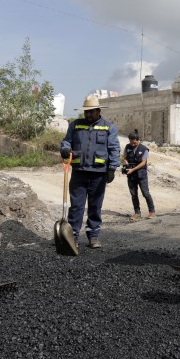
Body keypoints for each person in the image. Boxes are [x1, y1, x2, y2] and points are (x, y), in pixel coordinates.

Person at [60, 94, 120, 249]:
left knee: (95, 206)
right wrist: (65, 149)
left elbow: (114, 148)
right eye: (86, 111)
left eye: (91, 111)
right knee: (77, 206)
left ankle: (93, 236)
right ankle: (72, 237)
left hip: (99, 175)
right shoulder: (75, 125)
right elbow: (67, 141)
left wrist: (112, 168)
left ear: (98, 111)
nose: (88, 114)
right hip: (79, 172)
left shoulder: (109, 127)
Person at [121, 131, 156, 221]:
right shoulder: (127, 147)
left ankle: (152, 211)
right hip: (131, 175)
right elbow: (124, 157)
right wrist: (125, 162)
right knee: (133, 195)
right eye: (131, 142)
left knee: (145, 193)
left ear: (138, 140)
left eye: (134, 143)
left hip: (141, 175)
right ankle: (137, 213)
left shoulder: (144, 149)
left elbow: (143, 162)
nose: (132, 144)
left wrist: (133, 169)